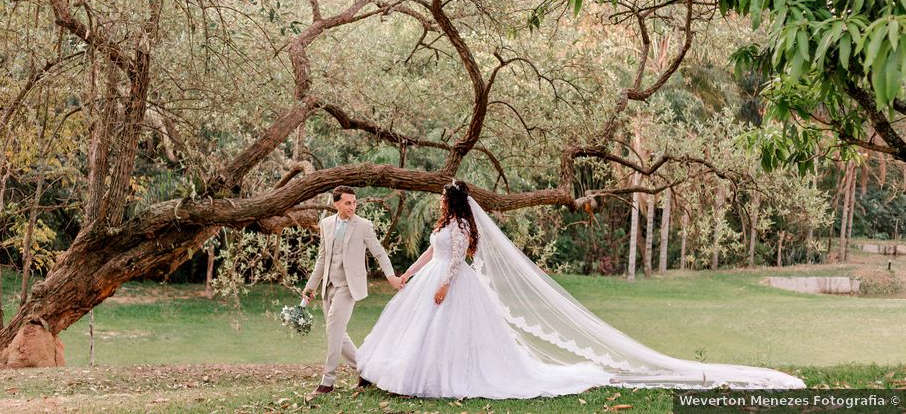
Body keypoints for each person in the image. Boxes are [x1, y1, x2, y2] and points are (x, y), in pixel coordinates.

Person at [356, 180, 804, 399]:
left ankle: (446, 381)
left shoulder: (457, 225)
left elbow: (454, 260)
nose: (440, 202)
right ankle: (421, 377)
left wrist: (442, 289)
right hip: (433, 283)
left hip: (451, 287)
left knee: (452, 337)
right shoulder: (444, 225)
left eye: (442, 198)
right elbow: (431, 256)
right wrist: (408, 276)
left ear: (450, 203)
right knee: (424, 335)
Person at [302, 185, 403, 398]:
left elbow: (379, 252)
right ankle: (365, 370)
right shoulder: (326, 224)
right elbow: (322, 258)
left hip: (349, 286)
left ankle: (327, 381)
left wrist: (391, 276)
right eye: (348, 202)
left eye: (354, 202)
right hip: (328, 286)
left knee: (334, 329)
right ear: (336, 203)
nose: (352, 206)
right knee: (336, 333)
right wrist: (310, 286)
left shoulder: (363, 226)